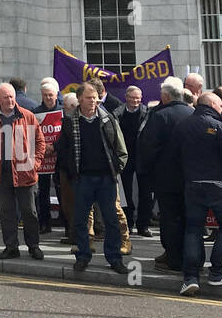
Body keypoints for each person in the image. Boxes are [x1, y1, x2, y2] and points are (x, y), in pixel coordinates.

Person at [57, 81, 128, 274]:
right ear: (80, 99)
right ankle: (82, 256)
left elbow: (121, 150)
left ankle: (114, 258)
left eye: (95, 97)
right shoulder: (70, 121)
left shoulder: (108, 119)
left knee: (111, 220)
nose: (93, 101)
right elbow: (63, 151)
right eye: (89, 98)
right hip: (83, 179)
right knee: (80, 220)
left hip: (106, 179)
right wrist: (73, 174)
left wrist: (116, 168)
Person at [174, 91, 222, 294]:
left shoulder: (182, 126)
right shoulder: (220, 126)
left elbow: (175, 155)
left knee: (193, 229)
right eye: (220, 105)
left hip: (193, 183)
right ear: (211, 103)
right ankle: (217, 272)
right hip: (220, 184)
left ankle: (191, 277)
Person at [0, 82, 46, 260]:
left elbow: (40, 142)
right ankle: (11, 247)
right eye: (6, 97)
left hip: (25, 173)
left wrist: (36, 162)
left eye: (12, 97)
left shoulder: (27, 116)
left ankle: (34, 246)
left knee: (29, 212)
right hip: (0, 173)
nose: (10, 100)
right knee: (7, 213)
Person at [137, 76, 191, 272]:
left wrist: (146, 172)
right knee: (188, 218)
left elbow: (148, 147)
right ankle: (192, 258)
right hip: (189, 176)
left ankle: (173, 258)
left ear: (166, 96)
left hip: (166, 177)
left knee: (169, 218)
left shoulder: (160, 116)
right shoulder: (192, 113)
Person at [115, 84, 152, 236]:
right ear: (126, 98)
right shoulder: (117, 114)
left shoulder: (148, 113)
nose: (135, 101)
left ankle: (143, 225)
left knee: (146, 193)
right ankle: (128, 223)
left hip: (143, 157)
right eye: (132, 98)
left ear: (141, 99)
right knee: (126, 193)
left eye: (137, 98)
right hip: (125, 157)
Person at [33, 78, 61, 234]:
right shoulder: (36, 113)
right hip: (42, 159)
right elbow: (33, 135)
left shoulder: (64, 112)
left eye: (51, 95)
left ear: (56, 95)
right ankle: (44, 222)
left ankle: (65, 220)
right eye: (45, 95)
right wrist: (44, 147)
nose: (48, 98)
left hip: (59, 158)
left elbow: (66, 134)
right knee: (42, 193)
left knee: (62, 191)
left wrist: (55, 147)